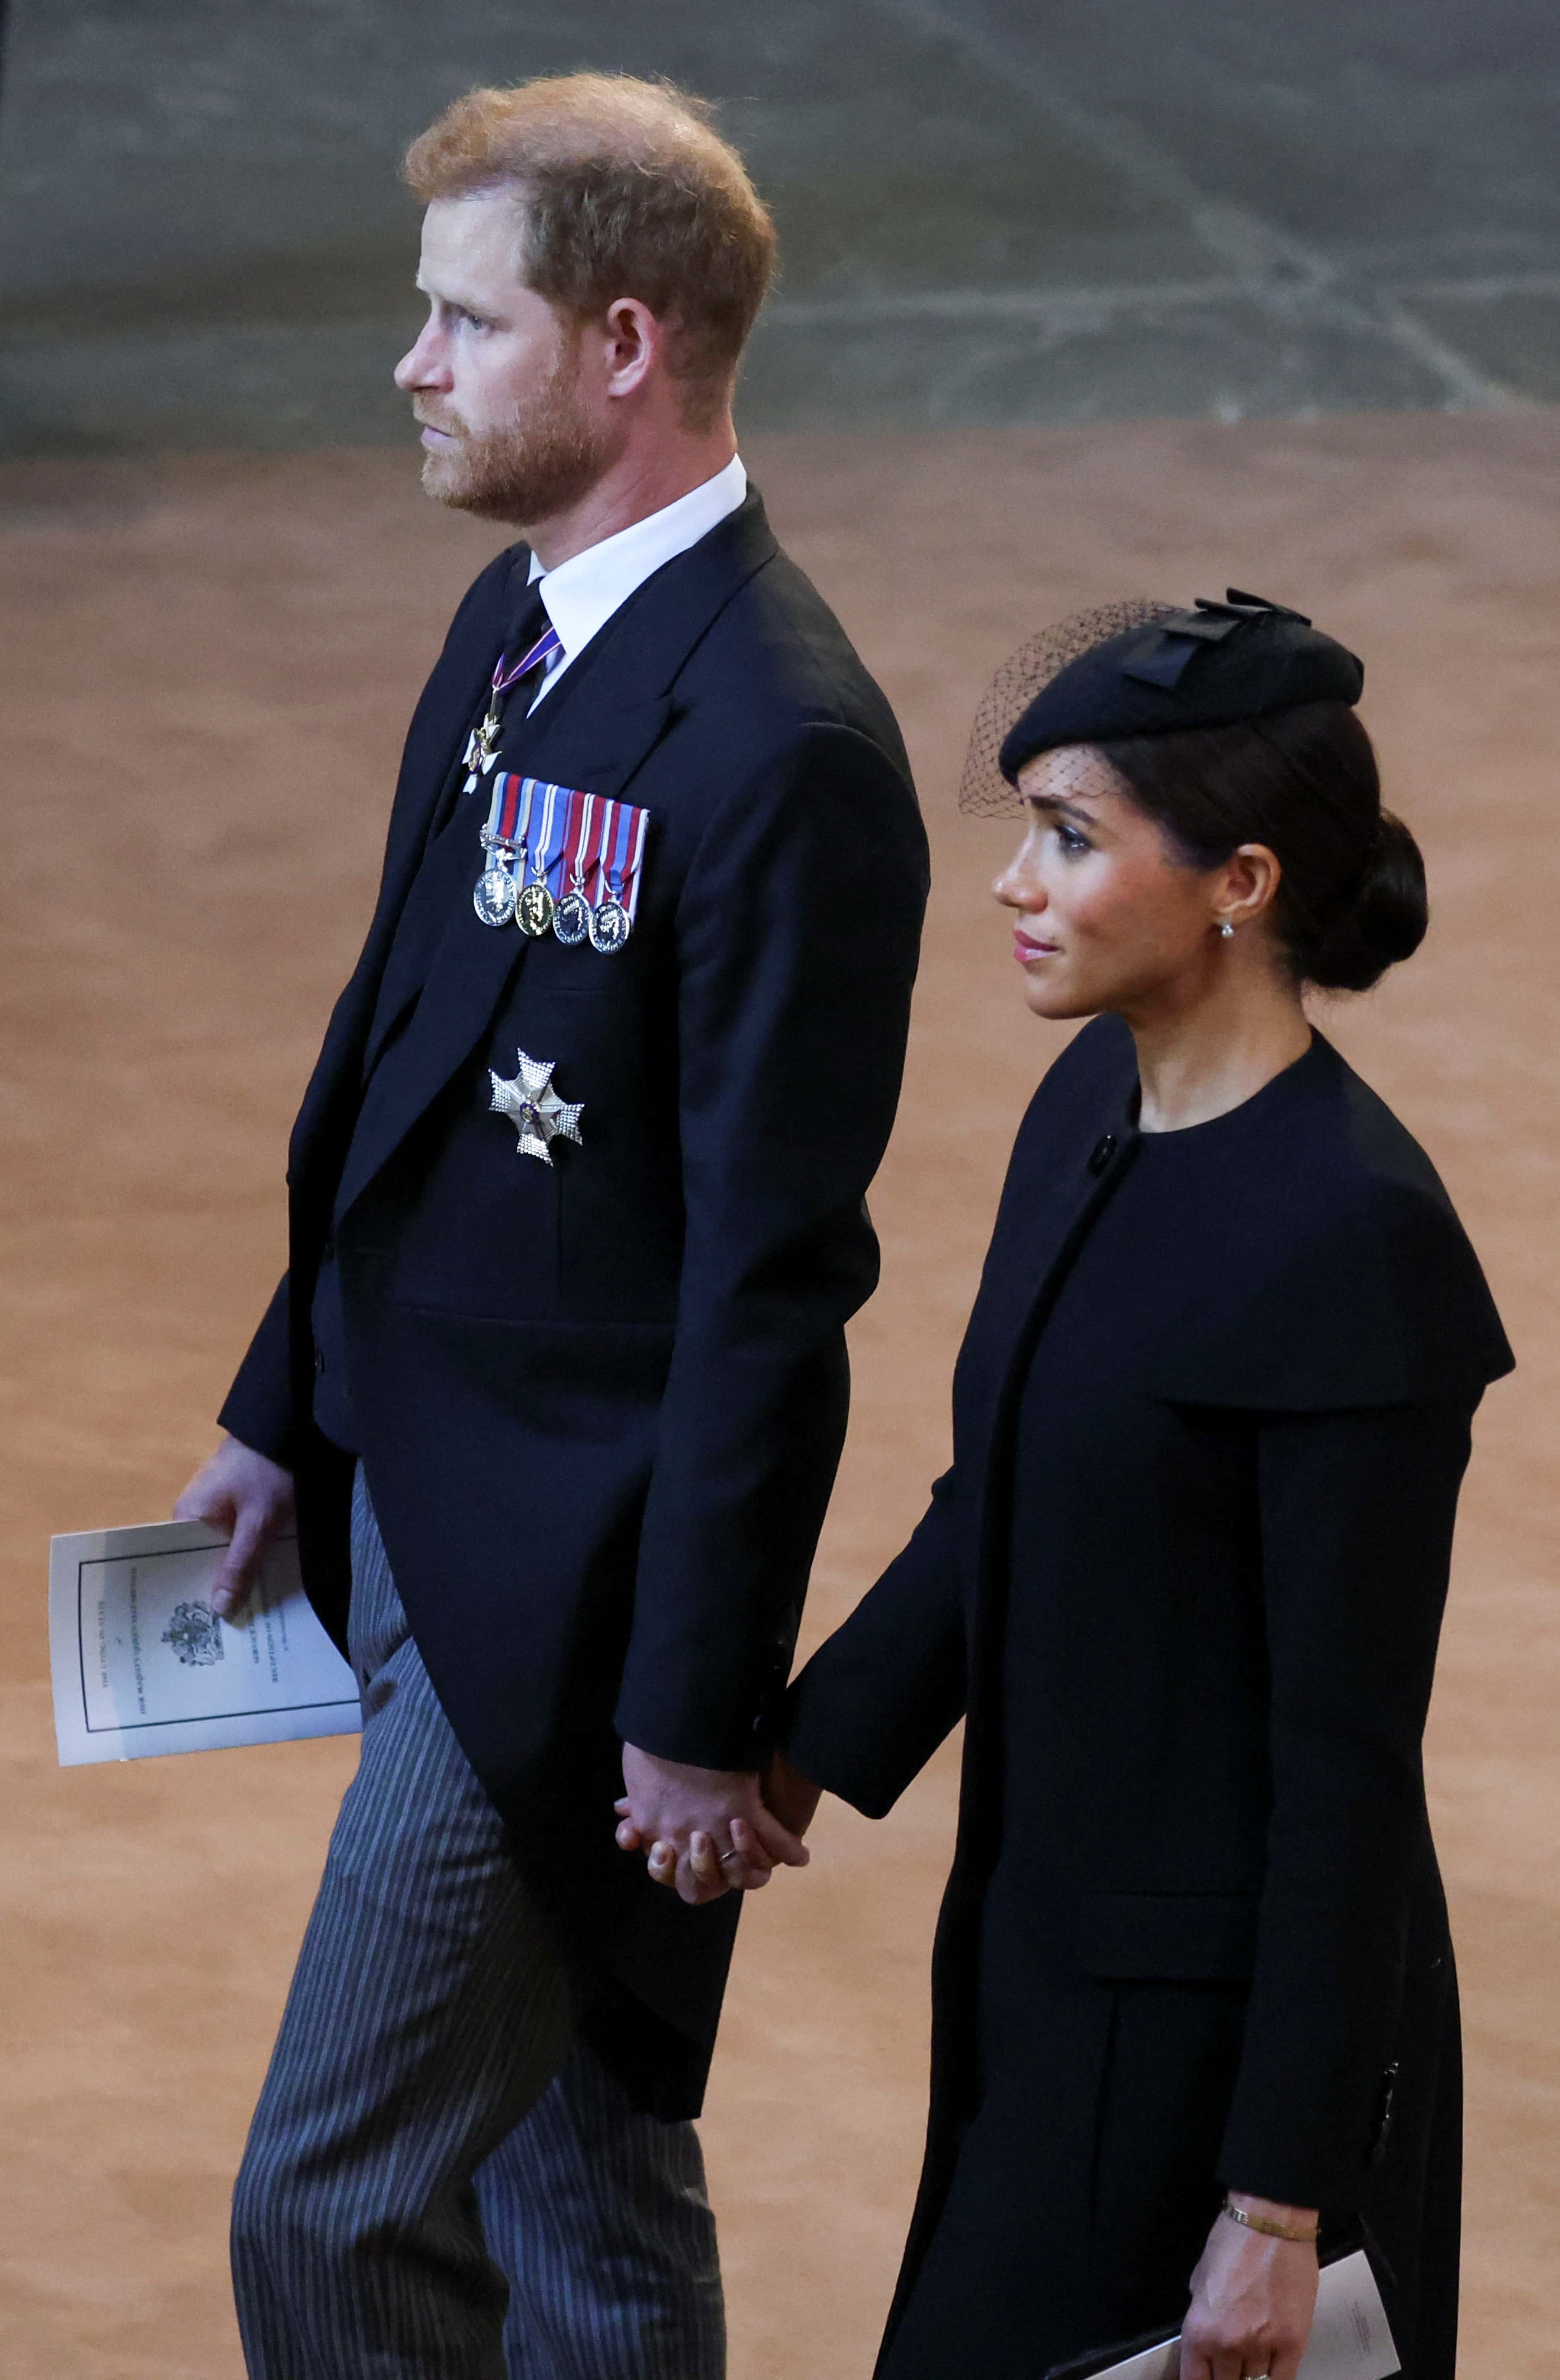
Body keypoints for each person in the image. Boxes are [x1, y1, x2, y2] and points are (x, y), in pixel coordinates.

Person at [172, 73, 928, 2380]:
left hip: (570, 1607)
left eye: (456, 321)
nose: (409, 363)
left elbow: (769, 1275)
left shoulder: (777, 742)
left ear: (620, 342)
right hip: (408, 1495)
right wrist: (288, 1398)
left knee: (331, 2191)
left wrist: (696, 1710)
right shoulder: (519, 629)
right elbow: (395, 1057)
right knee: (573, 2163)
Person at [726, 594, 1510, 2378]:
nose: (1014, 882)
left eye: (1069, 838)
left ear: (1237, 883)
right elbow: (997, 1492)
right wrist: (795, 1759)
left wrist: (1278, 2206)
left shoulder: (1354, 1242)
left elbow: (1343, 1768)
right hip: (1041, 1985)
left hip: (1215, 2076)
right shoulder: (1091, 1104)